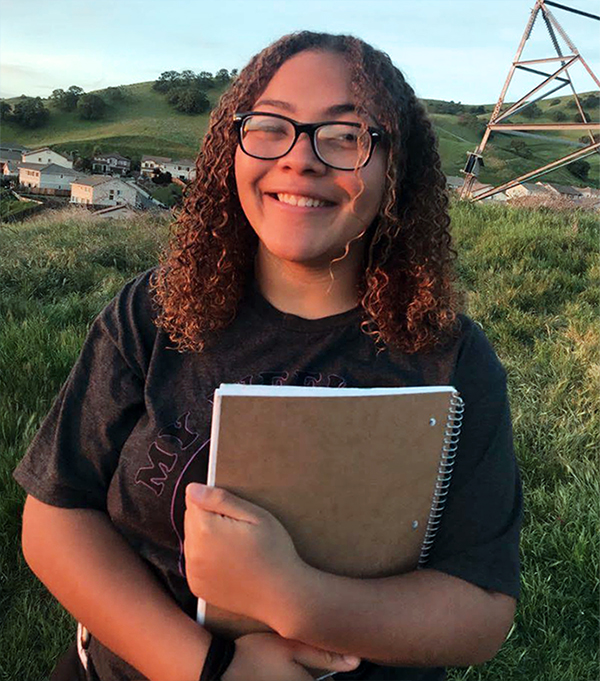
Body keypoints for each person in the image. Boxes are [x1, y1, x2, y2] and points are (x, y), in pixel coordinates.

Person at [14, 31, 522, 681]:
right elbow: (55, 516)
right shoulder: (155, 310)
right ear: (235, 144)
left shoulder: (451, 359)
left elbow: (480, 607)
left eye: (344, 135)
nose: (300, 159)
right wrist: (214, 671)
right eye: (271, 126)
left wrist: (291, 594)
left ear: (396, 166)